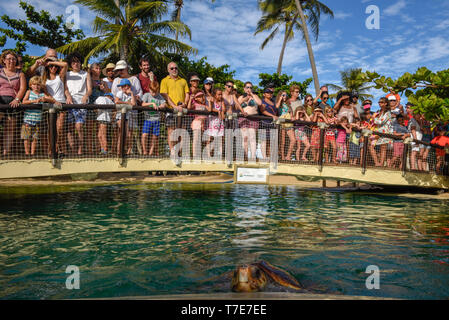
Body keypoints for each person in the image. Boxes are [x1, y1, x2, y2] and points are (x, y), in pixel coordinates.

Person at [0, 50, 26, 157]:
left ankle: (6, 153)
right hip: (0, 100)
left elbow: (22, 88)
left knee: (9, 129)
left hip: (12, 101)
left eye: (13, 59)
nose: (11, 61)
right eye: (9, 59)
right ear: (4, 60)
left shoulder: (20, 74)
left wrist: (17, 99)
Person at [65, 52, 92, 156]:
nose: (75, 64)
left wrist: (86, 96)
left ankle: (80, 149)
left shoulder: (85, 74)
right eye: (73, 62)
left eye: (77, 62)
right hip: (70, 103)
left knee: (79, 126)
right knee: (70, 128)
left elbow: (89, 89)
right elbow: (65, 88)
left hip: (81, 103)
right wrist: (68, 96)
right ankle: (72, 150)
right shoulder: (67, 74)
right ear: (70, 64)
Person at [160, 61, 189, 155]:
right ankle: (173, 152)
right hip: (171, 110)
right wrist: (174, 106)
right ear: (168, 70)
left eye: (176, 68)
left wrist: (184, 104)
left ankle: (179, 152)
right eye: (172, 68)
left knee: (182, 132)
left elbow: (187, 94)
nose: (174, 70)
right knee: (171, 132)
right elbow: (165, 95)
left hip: (182, 110)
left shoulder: (183, 80)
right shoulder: (164, 80)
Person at [42, 57, 69, 156]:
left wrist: (50, 62)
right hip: (51, 104)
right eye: (51, 66)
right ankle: (52, 149)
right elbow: (46, 94)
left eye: (55, 66)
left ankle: (58, 148)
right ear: (47, 68)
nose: (53, 67)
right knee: (51, 129)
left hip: (61, 104)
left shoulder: (60, 76)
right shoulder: (44, 79)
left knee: (59, 128)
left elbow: (65, 64)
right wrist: (54, 101)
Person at [21, 76, 53, 156]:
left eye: (38, 84)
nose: (36, 86)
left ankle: (32, 153)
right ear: (31, 85)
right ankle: (27, 153)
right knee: (26, 138)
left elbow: (51, 99)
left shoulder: (42, 94)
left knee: (35, 138)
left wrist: (45, 99)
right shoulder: (29, 92)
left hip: (37, 120)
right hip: (27, 120)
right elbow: (23, 102)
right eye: (34, 84)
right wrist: (34, 101)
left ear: (41, 86)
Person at [238, 82, 262, 161]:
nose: (249, 89)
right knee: (245, 138)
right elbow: (236, 105)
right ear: (244, 88)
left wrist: (252, 94)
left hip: (253, 118)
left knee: (252, 138)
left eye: (250, 87)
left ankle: (252, 157)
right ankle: (245, 156)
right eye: (247, 87)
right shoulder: (241, 97)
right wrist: (244, 100)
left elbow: (259, 103)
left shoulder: (255, 96)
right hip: (243, 119)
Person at [141, 80, 166, 156]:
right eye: (152, 92)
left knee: (155, 137)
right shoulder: (147, 95)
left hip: (156, 120)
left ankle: (151, 152)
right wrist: (152, 103)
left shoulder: (159, 96)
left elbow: (164, 104)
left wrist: (161, 106)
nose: (154, 94)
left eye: (156, 92)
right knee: (144, 135)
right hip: (148, 119)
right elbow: (143, 104)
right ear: (149, 89)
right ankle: (145, 151)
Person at [114, 78, 137, 155]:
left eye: (125, 86)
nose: (124, 88)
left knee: (126, 134)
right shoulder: (120, 93)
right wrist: (126, 103)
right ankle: (118, 152)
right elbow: (116, 101)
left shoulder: (130, 94)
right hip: (120, 116)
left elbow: (133, 104)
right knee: (121, 134)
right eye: (122, 86)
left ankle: (125, 150)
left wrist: (132, 93)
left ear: (128, 86)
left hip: (127, 117)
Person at [204, 88, 225, 159]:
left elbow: (223, 110)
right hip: (212, 122)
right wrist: (217, 111)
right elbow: (210, 109)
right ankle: (208, 155)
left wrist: (220, 111)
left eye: (221, 94)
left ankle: (220, 155)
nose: (220, 96)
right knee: (210, 138)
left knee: (220, 139)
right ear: (215, 95)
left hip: (219, 123)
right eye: (218, 94)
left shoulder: (222, 102)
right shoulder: (212, 100)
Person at [187, 91, 208, 160]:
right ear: (196, 98)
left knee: (200, 140)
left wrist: (210, 102)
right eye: (199, 96)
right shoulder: (195, 104)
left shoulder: (205, 105)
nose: (201, 98)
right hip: (197, 123)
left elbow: (210, 109)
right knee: (196, 140)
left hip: (204, 124)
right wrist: (190, 99)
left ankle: (199, 154)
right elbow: (189, 108)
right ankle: (195, 155)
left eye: (202, 96)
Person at [259, 88, 278, 161]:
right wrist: (272, 116)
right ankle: (264, 156)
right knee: (264, 140)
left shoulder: (273, 102)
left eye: (271, 93)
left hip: (272, 123)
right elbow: (263, 111)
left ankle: (269, 156)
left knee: (271, 140)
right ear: (264, 94)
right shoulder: (262, 101)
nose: (269, 94)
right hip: (264, 122)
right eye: (267, 92)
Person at [373, 97, 393, 167]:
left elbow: (381, 121)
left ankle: (381, 163)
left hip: (385, 132)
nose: (379, 103)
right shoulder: (380, 112)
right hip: (379, 131)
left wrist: (373, 118)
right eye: (379, 102)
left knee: (383, 148)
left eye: (381, 102)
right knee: (379, 148)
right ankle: (379, 163)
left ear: (385, 103)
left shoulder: (388, 113)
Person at [277, 90, 295, 161]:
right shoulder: (279, 103)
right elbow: (277, 106)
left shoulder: (288, 104)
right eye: (283, 95)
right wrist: (280, 99)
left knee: (293, 140)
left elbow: (291, 112)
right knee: (283, 141)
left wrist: (292, 117)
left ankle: (288, 155)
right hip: (282, 122)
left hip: (288, 122)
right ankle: (282, 156)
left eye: (285, 95)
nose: (285, 96)